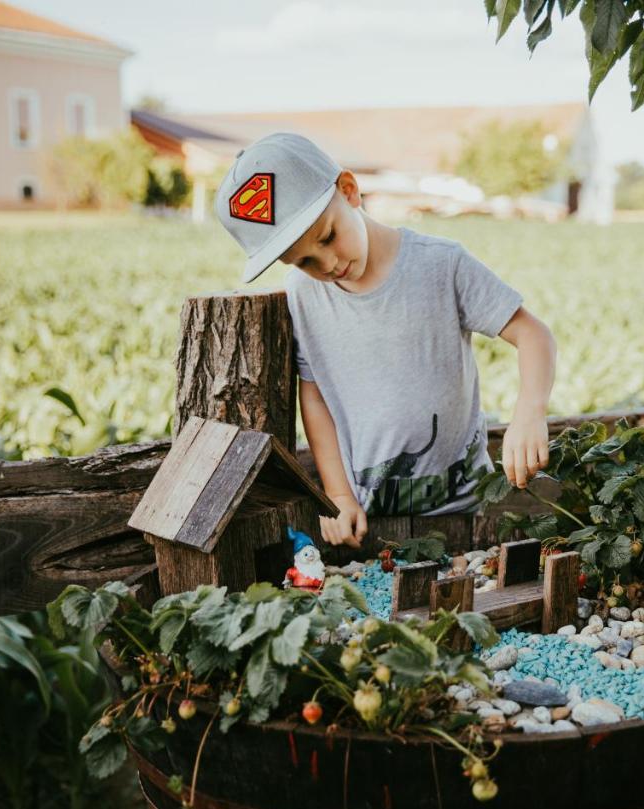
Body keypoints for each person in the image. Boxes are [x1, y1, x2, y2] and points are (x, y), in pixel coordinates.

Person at [215, 132, 556, 548]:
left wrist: (530, 412)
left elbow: (532, 334)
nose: (329, 264)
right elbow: (315, 396)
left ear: (349, 190)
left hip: (467, 513)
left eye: (327, 237)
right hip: (371, 524)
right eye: (303, 261)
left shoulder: (440, 265)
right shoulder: (305, 297)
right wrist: (338, 495)